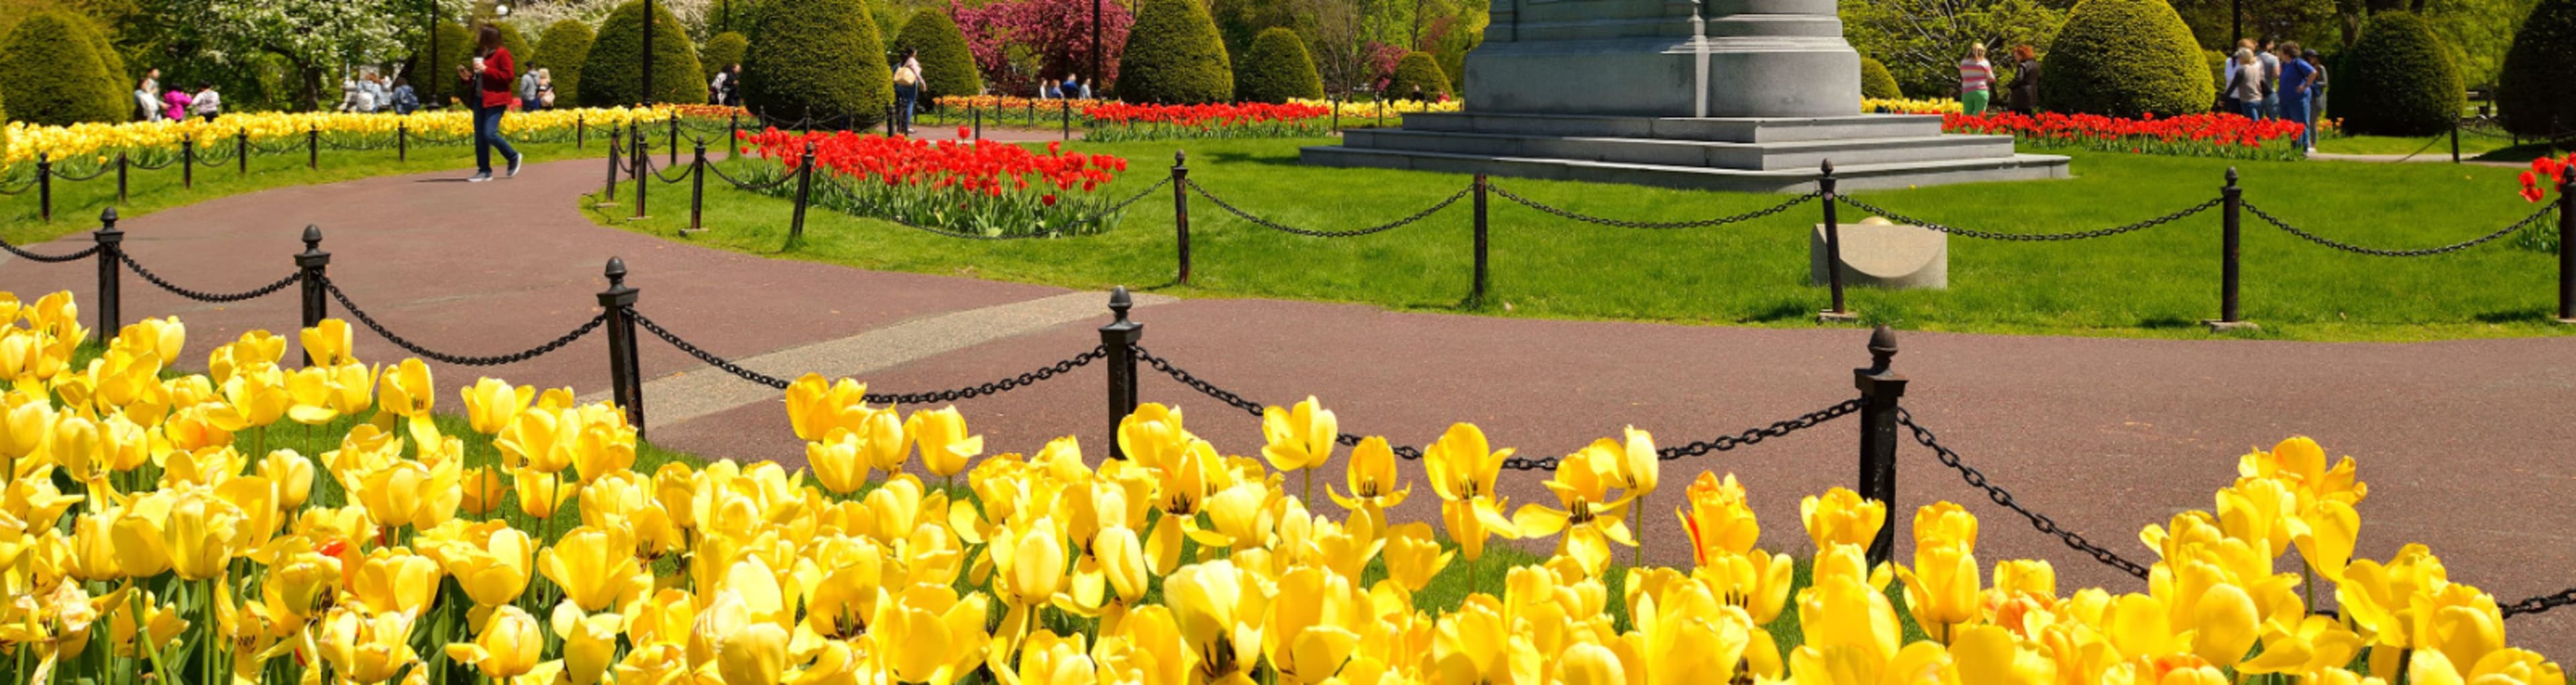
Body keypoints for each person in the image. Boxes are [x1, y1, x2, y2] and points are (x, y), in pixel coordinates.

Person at [458, 24, 523, 181]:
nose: (476, 37)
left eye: (479, 34)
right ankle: (484, 170)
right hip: (479, 99)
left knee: (489, 133)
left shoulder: (502, 54)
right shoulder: (481, 54)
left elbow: (509, 76)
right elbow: (478, 78)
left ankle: (512, 156)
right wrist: (467, 77)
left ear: (488, 36)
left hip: (496, 99)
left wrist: (487, 70)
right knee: (480, 137)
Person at [2275, 41, 2318, 153]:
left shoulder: (2298, 63)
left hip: (2298, 98)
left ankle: (2303, 147)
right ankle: (2294, 145)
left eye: (2281, 51)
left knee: (2300, 122)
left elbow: (2313, 72)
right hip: (2286, 99)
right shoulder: (2284, 64)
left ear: (2286, 53)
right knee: (2289, 123)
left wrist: (2305, 85)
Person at [2224, 48, 2264, 119]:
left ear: (2243, 58)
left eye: (2239, 57)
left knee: (2252, 124)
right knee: (2259, 122)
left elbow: (2233, 86)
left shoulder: (2241, 71)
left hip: (2248, 100)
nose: (2238, 59)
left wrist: (2223, 98)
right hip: (2259, 99)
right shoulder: (2256, 69)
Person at [892, 48, 923, 136]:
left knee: (899, 106)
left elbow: (892, 76)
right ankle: (906, 126)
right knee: (909, 105)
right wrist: (923, 83)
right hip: (910, 87)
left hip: (898, 87)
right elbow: (917, 75)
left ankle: (899, 125)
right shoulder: (913, 63)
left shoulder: (897, 66)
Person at [1957, 42, 1993, 115]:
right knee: (1979, 116)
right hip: (1980, 90)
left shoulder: (1963, 63)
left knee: (1966, 115)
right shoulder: (1984, 63)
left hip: (1967, 91)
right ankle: (1977, 127)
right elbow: (1991, 78)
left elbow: (1962, 75)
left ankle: (1965, 127)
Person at [2005, 44, 2040, 115]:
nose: (2016, 57)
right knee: (2028, 115)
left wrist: (2010, 86)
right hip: (2032, 93)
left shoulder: (2023, 65)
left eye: (2017, 55)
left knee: (2014, 114)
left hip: (2020, 94)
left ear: (2022, 55)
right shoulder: (2036, 65)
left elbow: (2019, 79)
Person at [2304, 48, 2328, 147]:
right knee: (2305, 122)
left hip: (2316, 98)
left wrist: (2312, 84)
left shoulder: (2320, 68)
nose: (2313, 59)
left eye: (2314, 57)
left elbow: (2325, 83)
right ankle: (2306, 142)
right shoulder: (2304, 68)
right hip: (2306, 97)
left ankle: (2313, 143)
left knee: (2312, 122)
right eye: (2311, 57)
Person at [2257, 40, 2282, 119]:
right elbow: (2276, 75)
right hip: (2269, 89)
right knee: (2272, 118)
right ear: (2268, 45)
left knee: (2257, 120)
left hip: (2256, 91)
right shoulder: (2273, 59)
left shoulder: (2253, 57)